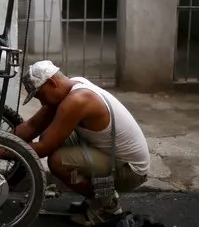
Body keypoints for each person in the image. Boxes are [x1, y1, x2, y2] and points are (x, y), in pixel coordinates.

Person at [11, 60, 150, 226]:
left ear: (52, 83)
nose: (42, 103)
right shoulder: (73, 85)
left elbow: (44, 148)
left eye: (41, 96)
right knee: (55, 138)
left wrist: (2, 151)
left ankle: (107, 205)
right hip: (109, 154)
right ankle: (99, 197)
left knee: (58, 161)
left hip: (130, 170)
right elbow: (32, 126)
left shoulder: (78, 100)